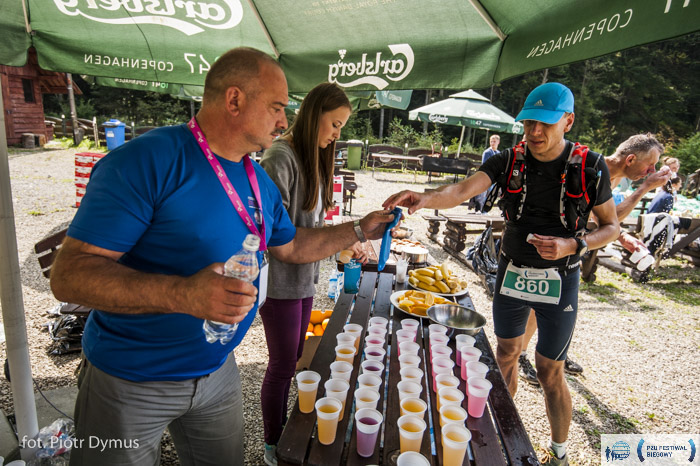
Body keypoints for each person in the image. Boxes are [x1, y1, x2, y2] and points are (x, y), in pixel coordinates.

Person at [50, 47, 394, 466]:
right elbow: (69, 276)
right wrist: (183, 294)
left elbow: (292, 246)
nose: (283, 121)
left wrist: (360, 228)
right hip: (129, 378)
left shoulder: (256, 178)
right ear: (234, 100)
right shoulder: (147, 161)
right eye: (276, 107)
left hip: (217, 370)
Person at [384, 82, 619, 465]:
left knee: (549, 370)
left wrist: (572, 245)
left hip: (561, 278)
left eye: (545, 124)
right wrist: (425, 198)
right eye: (528, 123)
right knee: (506, 353)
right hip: (512, 272)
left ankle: (559, 452)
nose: (535, 132)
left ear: (568, 121)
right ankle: (499, 434)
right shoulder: (509, 160)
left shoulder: (590, 166)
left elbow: (611, 227)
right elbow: (461, 190)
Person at [257, 82, 364, 465]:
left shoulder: (313, 158)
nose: (337, 134)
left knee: (295, 359)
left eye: (341, 128)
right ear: (313, 114)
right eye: (334, 124)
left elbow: (312, 227)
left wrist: (341, 243)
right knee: (282, 366)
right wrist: (348, 236)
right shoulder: (280, 158)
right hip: (280, 284)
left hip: (304, 281)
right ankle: (272, 443)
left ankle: (284, 431)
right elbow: (276, 237)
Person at [518, 133, 672, 385]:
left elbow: (607, 219)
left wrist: (623, 236)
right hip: (550, 246)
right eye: (650, 165)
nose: (652, 171)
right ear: (630, 159)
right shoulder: (591, 169)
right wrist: (644, 188)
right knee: (541, 303)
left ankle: (556, 352)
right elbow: (605, 219)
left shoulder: (615, 176)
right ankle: (522, 355)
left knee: (565, 306)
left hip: (572, 248)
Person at [474, 134, 500, 211]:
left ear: (498, 142)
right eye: (491, 141)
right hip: (487, 176)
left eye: (494, 141)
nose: (492, 143)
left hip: (494, 176)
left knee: (490, 194)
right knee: (482, 193)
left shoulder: (498, 153)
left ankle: (485, 210)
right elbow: (484, 165)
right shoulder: (487, 152)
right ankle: (479, 209)